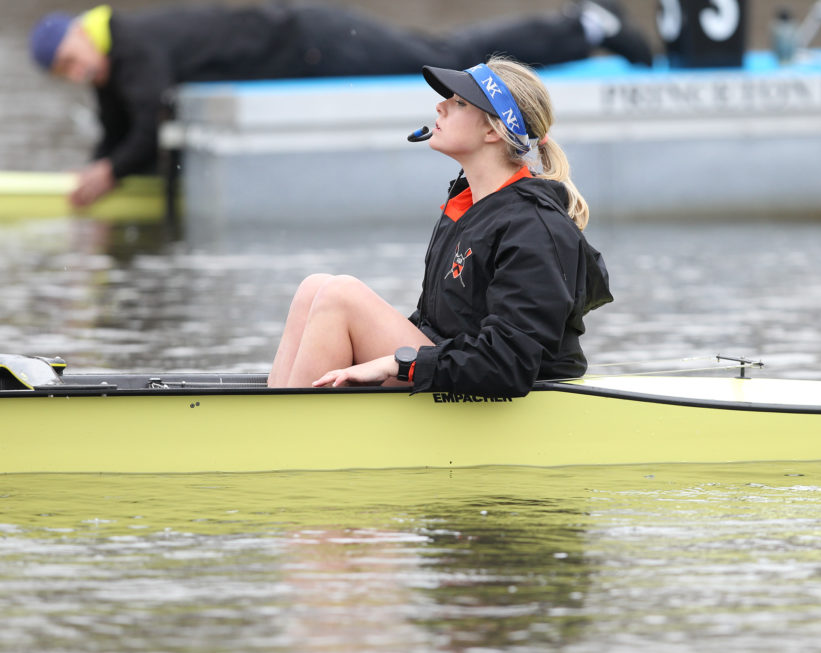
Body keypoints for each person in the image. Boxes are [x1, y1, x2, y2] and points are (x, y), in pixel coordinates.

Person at [28, 2, 653, 208]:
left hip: (312, 41)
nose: (75, 73)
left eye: (70, 60)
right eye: (64, 73)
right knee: (440, 48)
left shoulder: (135, 46)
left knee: (442, 52)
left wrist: (106, 174)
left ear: (84, 35)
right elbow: (120, 125)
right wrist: (101, 165)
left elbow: (142, 120)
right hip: (300, 49)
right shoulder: (112, 62)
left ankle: (584, 24)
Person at [266, 57, 613, 395]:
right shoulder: (464, 207)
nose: (440, 107)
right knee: (314, 287)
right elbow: (440, 327)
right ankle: (273, 424)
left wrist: (398, 364)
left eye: (459, 102)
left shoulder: (534, 227)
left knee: (340, 296)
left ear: (494, 130)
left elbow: (509, 363)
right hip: (459, 365)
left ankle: (285, 440)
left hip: (517, 396)